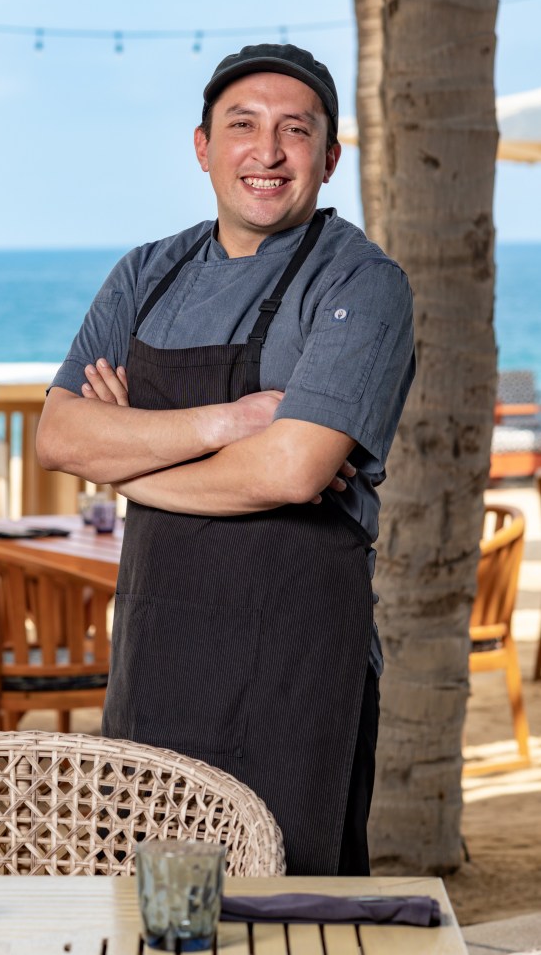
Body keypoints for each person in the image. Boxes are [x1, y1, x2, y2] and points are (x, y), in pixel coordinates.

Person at [36, 43, 415, 875]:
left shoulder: (361, 282)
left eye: (295, 131)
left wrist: (125, 456)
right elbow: (59, 436)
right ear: (203, 148)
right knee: (142, 893)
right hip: (154, 649)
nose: (267, 152)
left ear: (329, 156)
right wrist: (228, 422)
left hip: (296, 664)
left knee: (280, 901)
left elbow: (291, 473)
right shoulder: (147, 271)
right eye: (241, 126)